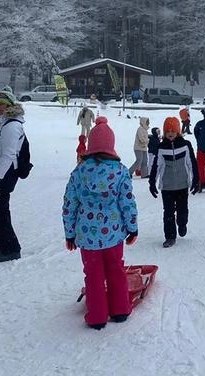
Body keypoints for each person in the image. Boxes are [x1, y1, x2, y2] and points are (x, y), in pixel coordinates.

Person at [63, 116, 138, 330]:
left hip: (87, 236)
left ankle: (97, 316)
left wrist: (70, 233)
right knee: (116, 270)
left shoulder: (79, 172)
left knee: (93, 275)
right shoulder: (120, 171)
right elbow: (127, 203)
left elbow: (70, 204)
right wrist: (132, 227)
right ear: (111, 146)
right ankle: (120, 309)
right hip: (113, 234)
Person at [0, 89, 27, 262]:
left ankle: (12, 248)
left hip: (2, 174)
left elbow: (8, 154)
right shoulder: (3, 123)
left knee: (0, 211)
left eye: (2, 104)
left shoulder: (12, 125)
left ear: (10, 105)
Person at [148, 117, 197, 248]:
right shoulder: (161, 147)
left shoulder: (185, 145)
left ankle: (182, 223)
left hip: (182, 185)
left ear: (178, 131)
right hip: (167, 187)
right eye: (167, 130)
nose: (170, 133)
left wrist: (196, 179)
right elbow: (156, 166)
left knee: (182, 210)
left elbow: (192, 163)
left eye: (173, 130)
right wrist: (152, 182)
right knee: (168, 212)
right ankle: (170, 237)